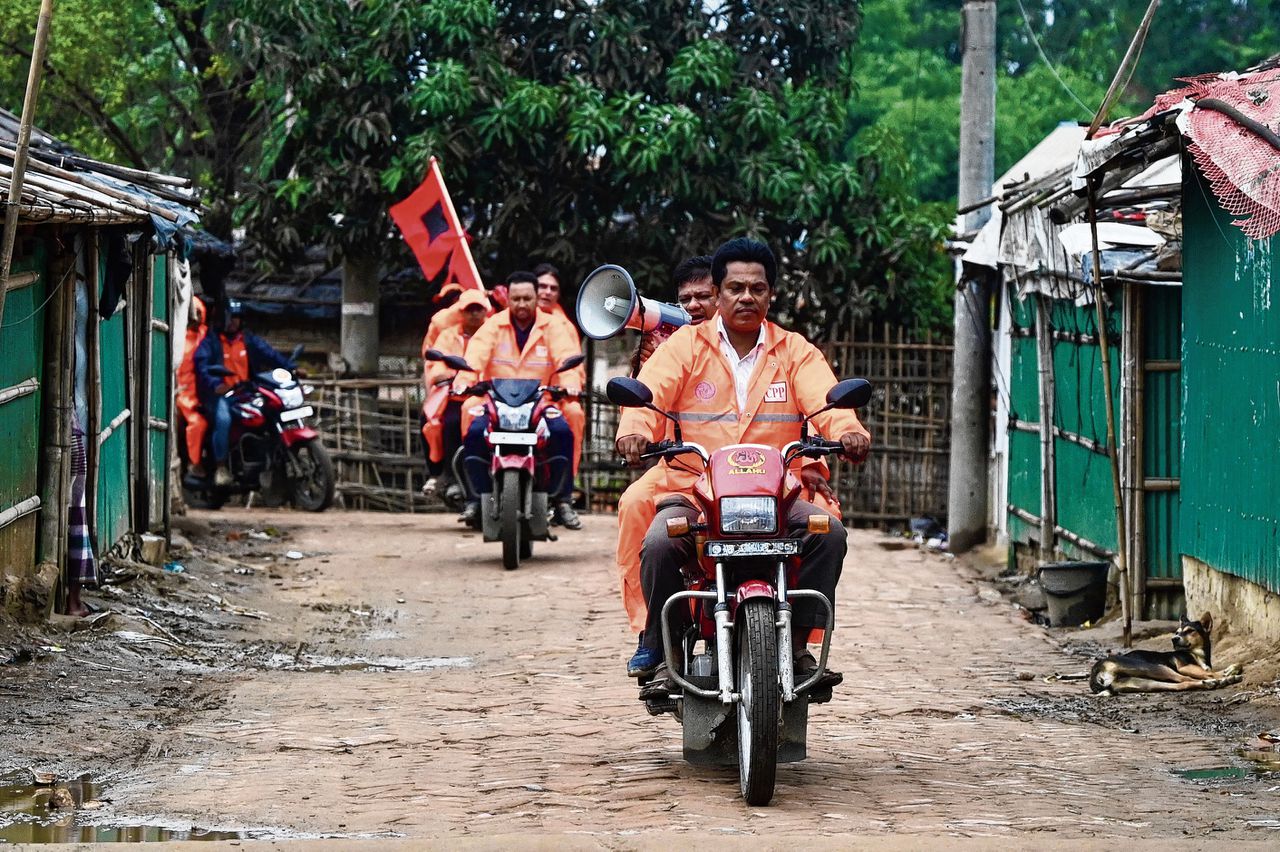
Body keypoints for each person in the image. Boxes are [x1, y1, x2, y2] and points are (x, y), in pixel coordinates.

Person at [615, 238, 871, 696]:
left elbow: (825, 398)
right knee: (657, 541)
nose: (746, 297)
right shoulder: (683, 348)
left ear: (771, 294)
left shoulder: (794, 350)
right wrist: (634, 429)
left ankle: (795, 646)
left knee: (829, 534)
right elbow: (649, 394)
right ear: (718, 292)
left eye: (757, 288)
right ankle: (662, 643)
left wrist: (848, 430)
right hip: (694, 488)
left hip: (777, 494)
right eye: (735, 287)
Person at [615, 255, 718, 675]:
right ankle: (651, 630)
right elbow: (647, 397)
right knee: (635, 504)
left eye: (703, 296)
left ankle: (799, 635)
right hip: (680, 466)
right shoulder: (671, 345)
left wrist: (814, 467)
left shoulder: (765, 346)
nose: (693, 306)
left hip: (750, 473)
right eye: (685, 299)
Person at [456, 272, 583, 529]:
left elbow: (567, 358)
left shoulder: (553, 326)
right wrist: (464, 381)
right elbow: (474, 357)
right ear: (508, 299)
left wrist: (570, 385)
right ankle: (475, 498)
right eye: (516, 299)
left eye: (527, 298)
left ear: (537, 298)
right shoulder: (493, 325)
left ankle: (562, 499)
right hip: (496, 402)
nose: (521, 304)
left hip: (542, 401)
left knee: (571, 416)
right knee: (469, 411)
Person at [194, 299, 296, 487]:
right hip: (222, 395)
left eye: (236, 317)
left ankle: (269, 462)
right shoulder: (212, 341)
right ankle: (221, 467)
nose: (232, 321)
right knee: (223, 420)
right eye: (229, 317)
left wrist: (291, 367)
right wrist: (216, 384)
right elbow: (202, 365)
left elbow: (270, 354)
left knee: (271, 411)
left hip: (246, 392)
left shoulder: (247, 340)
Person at [420, 288, 490, 498]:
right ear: (460, 311)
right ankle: (447, 475)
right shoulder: (448, 336)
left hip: (488, 396)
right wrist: (450, 376)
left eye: (478, 309)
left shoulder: (494, 334)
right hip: (456, 395)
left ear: (486, 311)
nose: (474, 314)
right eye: (470, 309)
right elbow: (436, 365)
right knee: (446, 422)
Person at [533, 262, 587, 490]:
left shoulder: (565, 326)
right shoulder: (511, 318)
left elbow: (572, 363)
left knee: (574, 413)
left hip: (554, 399)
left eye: (553, 288)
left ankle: (565, 487)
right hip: (514, 398)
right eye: (542, 286)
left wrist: (571, 385)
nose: (547, 292)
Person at [176, 295, 210, 476]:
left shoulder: (206, 337)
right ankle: (194, 463)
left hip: (201, 394)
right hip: (182, 395)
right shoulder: (178, 338)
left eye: (198, 313)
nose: (195, 317)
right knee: (197, 424)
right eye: (192, 313)